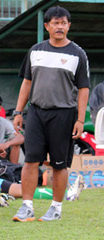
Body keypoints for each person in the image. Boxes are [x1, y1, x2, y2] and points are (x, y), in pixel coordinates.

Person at [12, 6, 90, 222]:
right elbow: (26, 82)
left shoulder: (77, 54)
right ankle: (26, 207)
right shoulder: (35, 50)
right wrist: (19, 111)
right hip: (36, 112)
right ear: (47, 26)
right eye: (55, 23)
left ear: (69, 26)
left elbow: (84, 89)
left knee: (59, 164)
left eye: (63, 23)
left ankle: (55, 209)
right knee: (30, 161)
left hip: (64, 115)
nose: (60, 27)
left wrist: (80, 119)